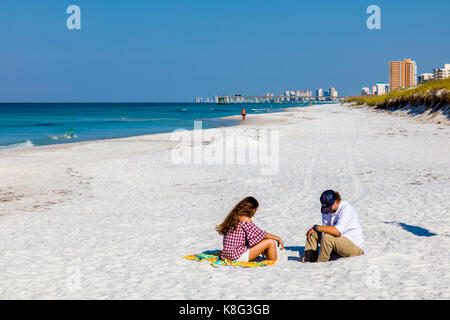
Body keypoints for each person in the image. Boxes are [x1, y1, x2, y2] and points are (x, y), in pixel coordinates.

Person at [301, 190, 365, 263]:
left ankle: (320, 264)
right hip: (338, 243)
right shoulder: (326, 211)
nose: (327, 211)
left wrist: (317, 227)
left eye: (329, 208)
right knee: (313, 233)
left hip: (354, 247)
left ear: (335, 202)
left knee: (327, 237)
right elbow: (324, 231)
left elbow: (337, 232)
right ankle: (308, 261)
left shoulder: (346, 209)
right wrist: (316, 229)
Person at [217, 196, 284, 262]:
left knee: (261, 240)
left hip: (227, 254)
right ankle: (273, 262)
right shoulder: (244, 219)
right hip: (236, 256)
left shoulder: (233, 217)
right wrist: (277, 238)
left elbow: (255, 236)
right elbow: (261, 234)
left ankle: (269, 257)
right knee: (270, 242)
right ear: (251, 209)